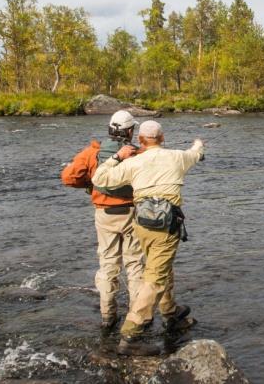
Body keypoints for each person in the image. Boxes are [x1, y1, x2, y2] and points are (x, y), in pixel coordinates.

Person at [92, 120, 204, 356]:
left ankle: (170, 313)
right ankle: (131, 334)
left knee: (160, 267)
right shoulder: (177, 157)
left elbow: (99, 180)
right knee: (155, 276)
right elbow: (196, 154)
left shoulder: (133, 161)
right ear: (162, 138)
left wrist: (117, 157)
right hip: (166, 224)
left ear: (140, 141)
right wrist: (199, 143)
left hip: (141, 224)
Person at [61, 110, 144, 332]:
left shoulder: (92, 153)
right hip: (133, 214)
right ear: (129, 132)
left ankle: (108, 316)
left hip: (105, 215)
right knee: (135, 265)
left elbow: (68, 178)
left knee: (108, 266)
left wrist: (91, 185)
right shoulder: (139, 154)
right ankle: (137, 316)